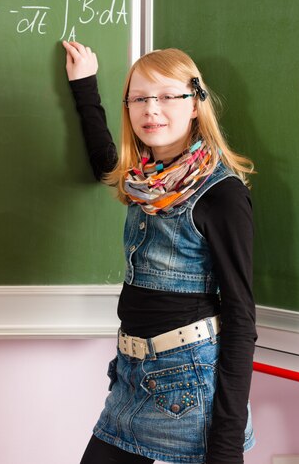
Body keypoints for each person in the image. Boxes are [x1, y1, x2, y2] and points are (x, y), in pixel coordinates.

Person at [62, 40, 257, 464]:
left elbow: (241, 317)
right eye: (140, 98)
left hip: (190, 388)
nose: (152, 109)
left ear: (195, 104)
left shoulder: (220, 194)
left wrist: (226, 447)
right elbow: (104, 162)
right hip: (132, 376)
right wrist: (84, 86)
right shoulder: (145, 180)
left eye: (168, 96)